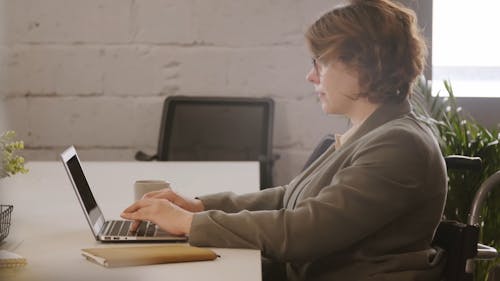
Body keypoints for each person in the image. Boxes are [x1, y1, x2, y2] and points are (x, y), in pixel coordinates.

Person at [121, 0, 447, 280]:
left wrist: (192, 223)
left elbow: (305, 230)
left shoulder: (400, 146)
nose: (311, 76)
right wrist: (200, 207)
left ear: (364, 65)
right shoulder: (372, 132)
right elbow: (289, 199)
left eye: (321, 62)